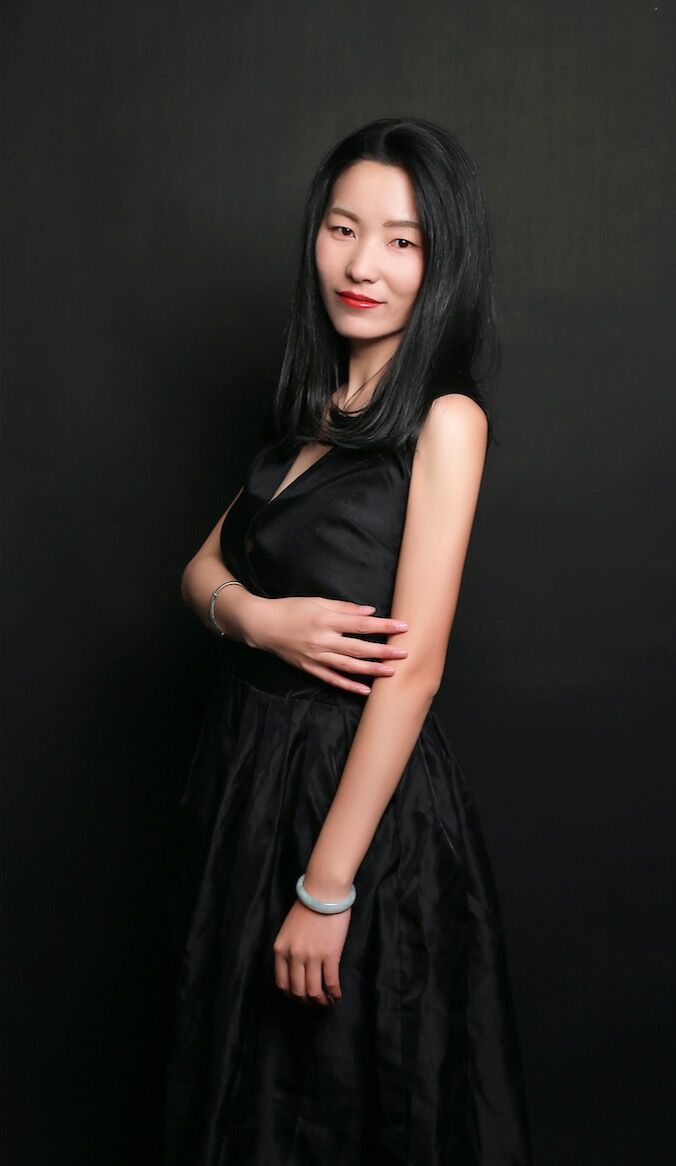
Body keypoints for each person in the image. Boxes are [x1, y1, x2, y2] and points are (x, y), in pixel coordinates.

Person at [163, 116, 532, 1166]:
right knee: (242, 1090)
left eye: (402, 241)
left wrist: (328, 887)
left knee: (342, 1094)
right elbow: (200, 571)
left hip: (353, 805)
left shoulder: (446, 419)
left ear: (443, 259)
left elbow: (414, 671)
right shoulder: (311, 404)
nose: (363, 264)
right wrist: (261, 618)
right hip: (249, 779)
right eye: (343, 229)